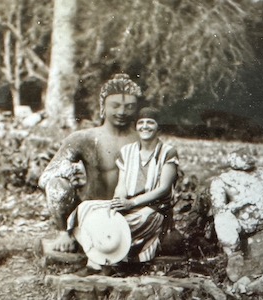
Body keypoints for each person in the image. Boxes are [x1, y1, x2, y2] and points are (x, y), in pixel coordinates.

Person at [68, 107, 179, 275]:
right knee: (86, 209)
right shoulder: (128, 151)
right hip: (128, 203)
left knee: (125, 226)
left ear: (159, 127)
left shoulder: (167, 152)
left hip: (153, 208)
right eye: (141, 122)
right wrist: (118, 200)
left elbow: (163, 189)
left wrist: (132, 202)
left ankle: (105, 264)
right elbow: (122, 184)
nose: (145, 126)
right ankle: (97, 261)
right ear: (136, 126)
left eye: (150, 122)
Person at [38, 73, 142, 252]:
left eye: (129, 107)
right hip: (90, 210)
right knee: (57, 185)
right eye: (115, 106)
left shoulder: (144, 140)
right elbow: (47, 177)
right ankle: (66, 233)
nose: (122, 112)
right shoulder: (83, 138)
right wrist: (69, 173)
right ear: (103, 107)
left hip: (132, 211)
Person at [210, 148, 263, 282]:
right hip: (240, 225)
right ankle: (234, 256)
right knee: (222, 220)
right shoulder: (221, 181)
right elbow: (219, 211)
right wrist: (240, 203)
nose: (244, 159)